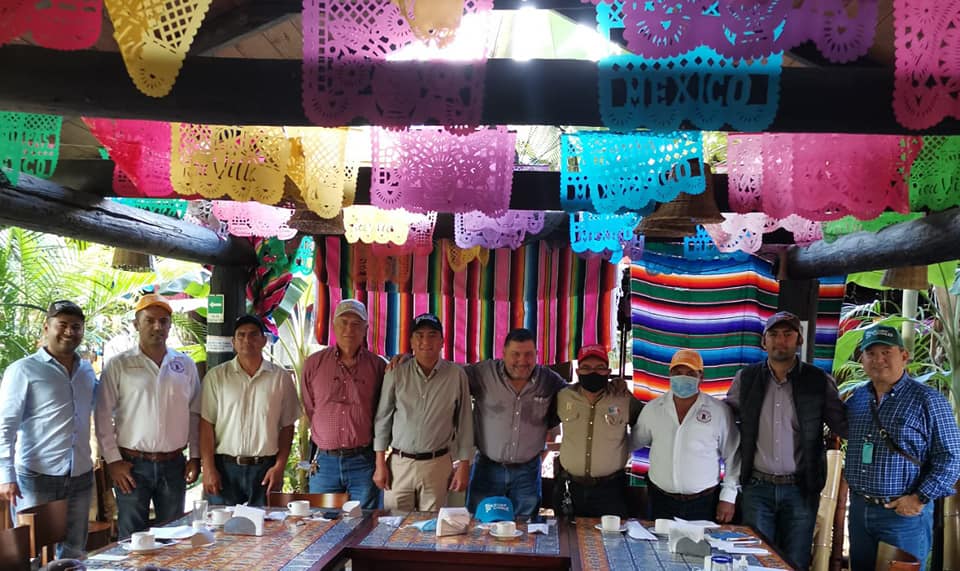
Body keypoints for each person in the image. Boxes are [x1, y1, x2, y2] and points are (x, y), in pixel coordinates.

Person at [726, 311, 847, 570]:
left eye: (788, 334)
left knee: (795, 561)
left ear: (799, 340)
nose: (780, 340)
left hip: (800, 489)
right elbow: (724, 421)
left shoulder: (818, 380)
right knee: (756, 560)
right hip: (757, 487)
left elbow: (842, 424)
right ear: (764, 341)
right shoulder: (745, 379)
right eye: (774, 334)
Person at [846, 325, 960, 571]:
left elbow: (951, 458)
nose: (878, 360)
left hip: (903, 517)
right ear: (862, 359)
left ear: (904, 355)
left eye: (886, 352)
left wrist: (919, 498)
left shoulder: (928, 400)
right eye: (871, 353)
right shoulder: (857, 399)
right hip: (859, 512)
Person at [95, 294, 202, 538]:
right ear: (136, 324)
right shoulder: (119, 365)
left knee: (173, 535)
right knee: (133, 537)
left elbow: (195, 413)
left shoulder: (184, 364)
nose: (157, 327)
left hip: (174, 464)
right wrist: (113, 462)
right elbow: (102, 415)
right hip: (132, 466)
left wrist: (195, 456)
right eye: (150, 320)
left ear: (170, 325)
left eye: (163, 321)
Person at [0, 301, 97, 558]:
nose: (69, 332)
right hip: (36, 477)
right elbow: (5, 425)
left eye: (76, 326)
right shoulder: (23, 370)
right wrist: (6, 474)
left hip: (80, 476)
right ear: (46, 327)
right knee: (31, 553)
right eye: (62, 325)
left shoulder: (87, 371)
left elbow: (102, 408)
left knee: (75, 552)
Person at [373, 313, 473, 511]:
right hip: (400, 465)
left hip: (437, 465)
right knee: (395, 524)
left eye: (432, 335)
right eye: (419, 335)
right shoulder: (396, 373)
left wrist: (464, 466)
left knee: (432, 525)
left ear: (442, 341)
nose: (426, 341)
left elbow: (464, 423)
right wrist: (380, 464)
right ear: (411, 341)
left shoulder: (456, 375)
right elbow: (383, 419)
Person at [465, 328, 568, 519]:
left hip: (527, 473)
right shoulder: (483, 373)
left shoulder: (549, 380)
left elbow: (577, 396)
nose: (522, 360)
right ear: (503, 353)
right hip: (487, 469)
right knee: (479, 526)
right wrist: (408, 362)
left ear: (537, 354)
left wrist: (612, 386)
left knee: (525, 529)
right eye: (515, 354)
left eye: (528, 354)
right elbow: (449, 378)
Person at [200, 314, 300, 506]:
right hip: (224, 468)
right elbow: (206, 425)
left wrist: (279, 466)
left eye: (254, 334)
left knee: (267, 523)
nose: (247, 340)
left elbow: (288, 426)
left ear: (264, 341)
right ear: (233, 342)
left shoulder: (280, 378)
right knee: (221, 523)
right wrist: (209, 468)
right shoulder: (216, 377)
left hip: (265, 469)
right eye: (241, 335)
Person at [632, 349, 739, 522]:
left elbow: (733, 455)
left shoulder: (719, 411)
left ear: (701, 377)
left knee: (701, 541)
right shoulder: (653, 409)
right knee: (658, 540)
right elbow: (633, 442)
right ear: (670, 375)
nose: (683, 377)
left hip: (704, 502)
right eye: (678, 373)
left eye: (690, 373)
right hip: (660, 501)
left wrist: (728, 496)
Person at [302, 299, 385, 509]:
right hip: (325, 463)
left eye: (356, 324)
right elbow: (310, 408)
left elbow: (382, 413)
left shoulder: (377, 366)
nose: (349, 329)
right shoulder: (314, 363)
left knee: (364, 523)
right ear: (334, 326)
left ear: (366, 329)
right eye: (344, 322)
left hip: (363, 462)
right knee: (322, 524)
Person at [554, 344, 641, 518]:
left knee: (611, 535)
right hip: (570, 487)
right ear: (578, 371)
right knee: (566, 534)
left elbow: (644, 429)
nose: (593, 373)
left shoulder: (624, 398)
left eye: (600, 368)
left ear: (608, 372)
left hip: (610, 490)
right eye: (586, 367)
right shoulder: (563, 396)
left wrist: (625, 450)